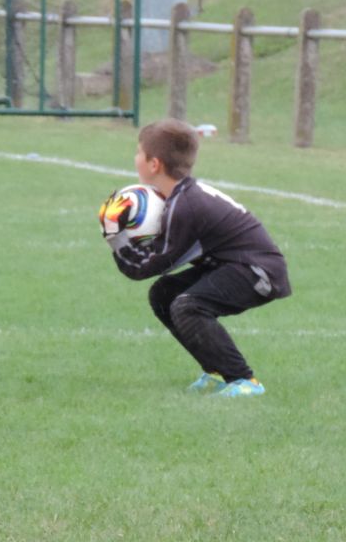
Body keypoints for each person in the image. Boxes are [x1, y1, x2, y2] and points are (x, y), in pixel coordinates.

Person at [99, 119, 291, 398]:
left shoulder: (185, 206)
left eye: (139, 152)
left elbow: (145, 267)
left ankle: (244, 380)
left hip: (258, 272)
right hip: (233, 264)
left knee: (188, 305)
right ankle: (216, 372)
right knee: (164, 294)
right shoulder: (181, 196)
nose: (135, 158)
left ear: (154, 164)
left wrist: (114, 235)